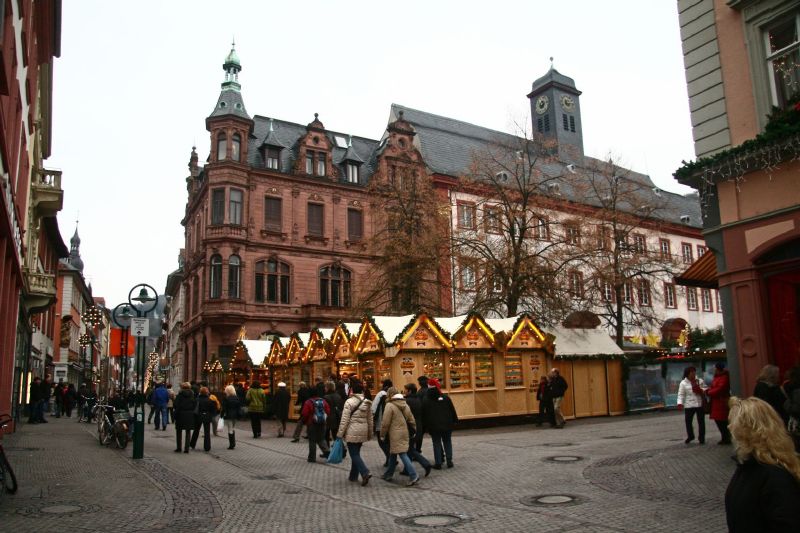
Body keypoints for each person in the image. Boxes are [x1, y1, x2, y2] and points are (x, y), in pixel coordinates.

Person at [724, 396, 800, 532]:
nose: (729, 427)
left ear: (748, 431)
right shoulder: (747, 467)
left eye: (733, 423)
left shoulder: (775, 477)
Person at [336, 379, 373, 486]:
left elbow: (345, 419)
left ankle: (365, 472)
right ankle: (353, 476)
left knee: (354, 454)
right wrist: (370, 433)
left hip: (352, 431)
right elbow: (370, 419)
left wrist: (340, 434)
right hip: (363, 430)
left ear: (352, 390)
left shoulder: (349, 402)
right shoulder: (367, 402)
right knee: (356, 453)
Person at [380, 386, 419, 486]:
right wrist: (414, 430)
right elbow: (411, 419)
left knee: (402, 453)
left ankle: (414, 475)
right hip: (404, 432)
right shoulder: (404, 403)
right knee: (393, 453)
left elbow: (385, 422)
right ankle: (388, 474)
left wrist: (382, 434)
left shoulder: (389, 405)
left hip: (394, 433)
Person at [422, 378, 458, 469]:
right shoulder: (445, 397)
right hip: (447, 424)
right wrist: (455, 421)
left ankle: (438, 463)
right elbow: (452, 410)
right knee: (447, 441)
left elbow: (424, 414)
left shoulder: (426, 399)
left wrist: (425, 425)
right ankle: (449, 461)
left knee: (436, 443)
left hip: (434, 426)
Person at [402, 383, 432, 478]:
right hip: (418, 426)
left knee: (410, 449)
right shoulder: (418, 399)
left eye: (405, 389)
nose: (404, 391)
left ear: (409, 391)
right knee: (410, 449)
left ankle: (426, 464)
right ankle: (407, 469)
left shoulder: (407, 401)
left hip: (410, 428)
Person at [300, 383, 330, 462]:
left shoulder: (308, 402)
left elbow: (304, 413)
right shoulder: (323, 401)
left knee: (312, 440)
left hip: (311, 423)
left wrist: (305, 421)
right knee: (321, 439)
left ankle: (312, 458)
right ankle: (327, 452)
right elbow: (328, 411)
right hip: (322, 423)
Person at [677, 366, 707, 444]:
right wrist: (680, 403)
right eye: (691, 372)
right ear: (687, 374)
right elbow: (681, 394)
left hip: (699, 404)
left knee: (701, 422)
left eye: (694, 372)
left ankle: (701, 437)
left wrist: (701, 390)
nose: (693, 374)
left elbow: (705, 388)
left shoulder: (699, 381)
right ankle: (690, 436)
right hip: (689, 405)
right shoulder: (683, 383)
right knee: (688, 421)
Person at [706, 362, 732, 444]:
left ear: (718, 369)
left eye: (715, 368)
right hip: (716, 402)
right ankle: (724, 437)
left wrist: (709, 392)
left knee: (723, 421)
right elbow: (714, 387)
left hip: (722, 401)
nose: (714, 370)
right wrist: (709, 390)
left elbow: (720, 388)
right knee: (718, 421)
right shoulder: (717, 377)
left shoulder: (724, 377)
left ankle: (726, 437)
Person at [372, 379, 393, 464]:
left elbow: (374, 407)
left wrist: (373, 418)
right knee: (389, 441)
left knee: (381, 441)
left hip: (381, 421)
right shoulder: (394, 393)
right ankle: (391, 459)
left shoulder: (381, 394)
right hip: (391, 421)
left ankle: (390, 458)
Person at [191, 386, 216, 452]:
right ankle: (207, 447)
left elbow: (193, 408)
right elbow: (213, 410)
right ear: (207, 392)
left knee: (196, 430)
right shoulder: (210, 400)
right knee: (207, 432)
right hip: (207, 416)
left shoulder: (197, 399)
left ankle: (192, 444)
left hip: (198, 416)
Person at [173, 382, 197, 453]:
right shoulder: (192, 395)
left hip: (180, 414)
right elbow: (195, 404)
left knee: (179, 431)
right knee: (188, 431)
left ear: (182, 387)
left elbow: (175, 404)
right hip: (189, 414)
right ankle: (186, 448)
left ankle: (179, 447)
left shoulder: (180, 395)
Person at [323, 381, 343, 449]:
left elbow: (324, 408)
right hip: (337, 417)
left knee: (326, 435)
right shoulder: (338, 396)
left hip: (328, 418)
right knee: (336, 435)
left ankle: (327, 450)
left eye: (325, 387)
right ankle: (341, 450)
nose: (324, 388)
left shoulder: (326, 397)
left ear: (328, 388)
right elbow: (341, 407)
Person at [222, 385, 241, 450]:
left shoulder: (226, 398)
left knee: (230, 429)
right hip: (235, 415)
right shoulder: (237, 398)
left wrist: (221, 415)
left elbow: (224, 408)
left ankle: (232, 444)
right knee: (233, 427)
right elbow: (239, 407)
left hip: (229, 415)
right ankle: (233, 443)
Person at [414, 376, 429, 452]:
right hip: (430, 416)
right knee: (436, 437)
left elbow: (419, 405)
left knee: (419, 435)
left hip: (422, 417)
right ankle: (441, 454)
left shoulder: (419, 392)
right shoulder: (430, 390)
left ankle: (417, 450)